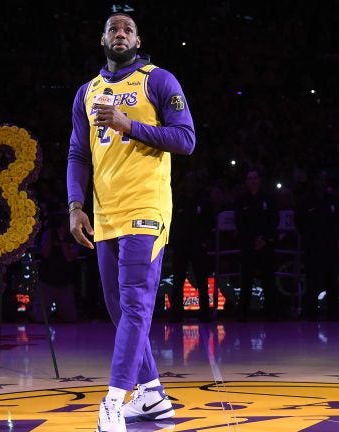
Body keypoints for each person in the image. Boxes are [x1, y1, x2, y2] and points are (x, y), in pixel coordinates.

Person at [66, 12, 195, 432]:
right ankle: (153, 395)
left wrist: (129, 125)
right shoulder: (87, 92)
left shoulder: (159, 80)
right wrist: (75, 205)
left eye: (127, 29)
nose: (120, 34)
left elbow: (185, 139)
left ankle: (113, 401)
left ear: (138, 39)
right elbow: (78, 155)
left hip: (146, 206)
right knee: (117, 307)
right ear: (101, 39)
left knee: (136, 302)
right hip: (105, 212)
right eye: (112, 29)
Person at [294, 170, 339, 321]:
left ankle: (333, 313)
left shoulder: (334, 200)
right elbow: (299, 222)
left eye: (324, 180)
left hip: (329, 247)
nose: (322, 183)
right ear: (314, 182)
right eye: (319, 180)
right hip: (312, 248)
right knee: (312, 282)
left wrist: (335, 238)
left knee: (331, 282)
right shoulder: (305, 201)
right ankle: (311, 313)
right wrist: (308, 238)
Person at [168, 171, 215, 323]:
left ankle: (205, 312)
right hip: (181, 246)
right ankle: (176, 313)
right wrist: (174, 241)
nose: (190, 184)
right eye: (187, 181)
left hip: (198, 246)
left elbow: (210, 222)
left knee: (202, 280)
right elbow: (172, 222)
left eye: (192, 181)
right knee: (178, 280)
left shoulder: (203, 201)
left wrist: (204, 240)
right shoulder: (179, 200)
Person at [234, 168, 279, 321]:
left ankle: (271, 310)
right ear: (246, 181)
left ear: (259, 180)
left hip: (265, 244)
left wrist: (264, 238)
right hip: (248, 245)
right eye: (249, 178)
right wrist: (252, 240)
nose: (252, 181)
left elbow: (274, 220)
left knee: (268, 278)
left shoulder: (269, 198)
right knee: (246, 279)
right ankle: (243, 311)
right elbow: (239, 222)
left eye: (255, 178)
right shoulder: (241, 199)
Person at [28, 212, 80, 323]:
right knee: (39, 318)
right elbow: (45, 253)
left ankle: (59, 313)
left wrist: (62, 239)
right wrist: (53, 235)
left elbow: (69, 257)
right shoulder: (49, 234)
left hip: (65, 283)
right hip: (47, 282)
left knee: (70, 319)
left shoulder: (75, 235)